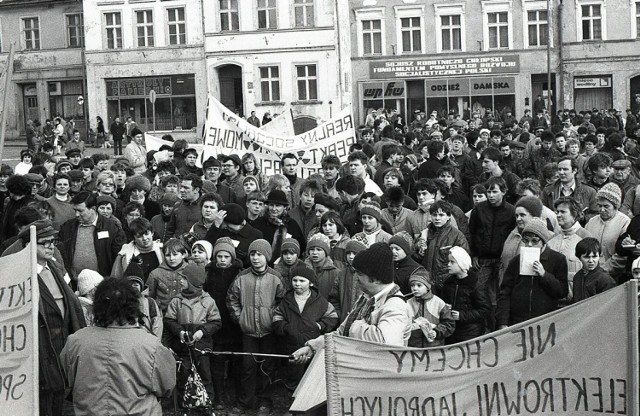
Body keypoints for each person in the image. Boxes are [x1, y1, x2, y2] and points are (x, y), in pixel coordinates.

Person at [60, 278, 175, 416]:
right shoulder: (151, 345)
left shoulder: (76, 341)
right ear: (133, 306)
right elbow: (167, 387)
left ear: (97, 305)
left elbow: (67, 381)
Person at [293, 242, 412, 367]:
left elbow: (385, 342)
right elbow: (341, 334)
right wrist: (313, 347)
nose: (356, 278)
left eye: (360, 274)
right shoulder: (366, 298)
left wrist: (355, 326)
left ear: (375, 279)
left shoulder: (395, 305)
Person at [20, 219, 86, 416]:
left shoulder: (54, 267)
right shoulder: (24, 275)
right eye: (44, 242)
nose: (51, 246)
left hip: (62, 342)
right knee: (45, 396)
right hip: (40, 345)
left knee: (60, 391)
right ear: (29, 245)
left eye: (52, 241)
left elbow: (70, 301)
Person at [226, 239, 286, 415]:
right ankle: (245, 402)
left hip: (269, 331)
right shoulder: (242, 277)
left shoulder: (276, 277)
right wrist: (240, 318)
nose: (255, 258)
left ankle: (265, 402)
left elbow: (282, 301)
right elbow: (231, 299)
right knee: (247, 367)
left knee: (267, 367)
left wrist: (273, 319)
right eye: (252, 254)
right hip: (248, 331)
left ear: (266, 256)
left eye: (259, 254)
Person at [165, 263, 222, 410]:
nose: (181, 281)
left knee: (205, 375)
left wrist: (203, 331)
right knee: (183, 374)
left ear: (193, 282)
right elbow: (169, 320)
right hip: (183, 347)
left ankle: (207, 403)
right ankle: (183, 405)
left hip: (202, 347)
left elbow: (216, 322)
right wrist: (180, 332)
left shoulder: (208, 301)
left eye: (184, 279)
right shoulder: (176, 301)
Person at [496, 218, 569, 328]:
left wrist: (545, 275)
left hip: (544, 321)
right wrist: (503, 323)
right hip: (518, 321)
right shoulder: (516, 261)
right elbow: (505, 293)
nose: (529, 245)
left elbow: (562, 292)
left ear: (543, 242)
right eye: (526, 240)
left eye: (534, 241)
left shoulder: (557, 260)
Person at [272, 265, 338, 385]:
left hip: (312, 346)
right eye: (295, 280)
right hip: (292, 344)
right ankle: (291, 398)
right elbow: (277, 316)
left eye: (302, 281)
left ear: (311, 283)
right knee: (293, 376)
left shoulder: (320, 301)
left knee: (311, 379)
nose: (297, 284)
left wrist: (319, 326)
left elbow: (332, 316)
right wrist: (286, 328)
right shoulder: (286, 301)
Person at [468, 177, 516, 331]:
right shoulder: (479, 209)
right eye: (488, 192)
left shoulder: (511, 211)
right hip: (483, 258)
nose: (491, 195)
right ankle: (483, 325)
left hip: (501, 259)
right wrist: (474, 255)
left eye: (494, 191)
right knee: (478, 289)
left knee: (500, 292)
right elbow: (472, 232)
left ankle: (499, 325)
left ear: (503, 192)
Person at [204, 237, 244, 411]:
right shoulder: (208, 272)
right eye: (219, 256)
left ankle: (238, 398)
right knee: (217, 365)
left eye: (226, 257)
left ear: (232, 258)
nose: (222, 260)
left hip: (234, 326)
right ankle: (219, 397)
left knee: (238, 365)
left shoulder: (239, 274)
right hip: (216, 326)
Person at [58, 191, 126, 285]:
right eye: (75, 210)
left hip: (102, 284)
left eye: (80, 211)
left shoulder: (112, 229)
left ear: (93, 209)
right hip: (72, 283)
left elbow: (118, 259)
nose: (77, 215)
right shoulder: (68, 227)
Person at [440, 247, 490, 344]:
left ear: (461, 263)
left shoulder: (476, 283)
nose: (448, 265)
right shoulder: (448, 282)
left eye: (452, 262)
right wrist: (445, 307)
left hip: (470, 333)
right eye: (449, 261)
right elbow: (442, 301)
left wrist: (462, 315)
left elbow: (484, 310)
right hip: (451, 331)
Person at [407, 271, 455, 348]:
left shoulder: (439, 303)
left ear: (428, 287)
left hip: (434, 348)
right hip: (413, 348)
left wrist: (436, 332)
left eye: (419, 285)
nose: (415, 288)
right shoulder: (407, 304)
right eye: (412, 285)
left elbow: (449, 324)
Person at [147, 238, 189, 314]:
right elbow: (150, 298)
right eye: (168, 255)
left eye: (175, 254)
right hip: (163, 315)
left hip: (185, 314)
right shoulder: (155, 274)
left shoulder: (190, 271)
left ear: (183, 255)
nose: (171, 258)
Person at [572, 238, 616, 303]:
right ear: (579, 258)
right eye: (586, 257)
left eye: (594, 256)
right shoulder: (577, 277)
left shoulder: (605, 279)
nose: (591, 261)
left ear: (599, 256)